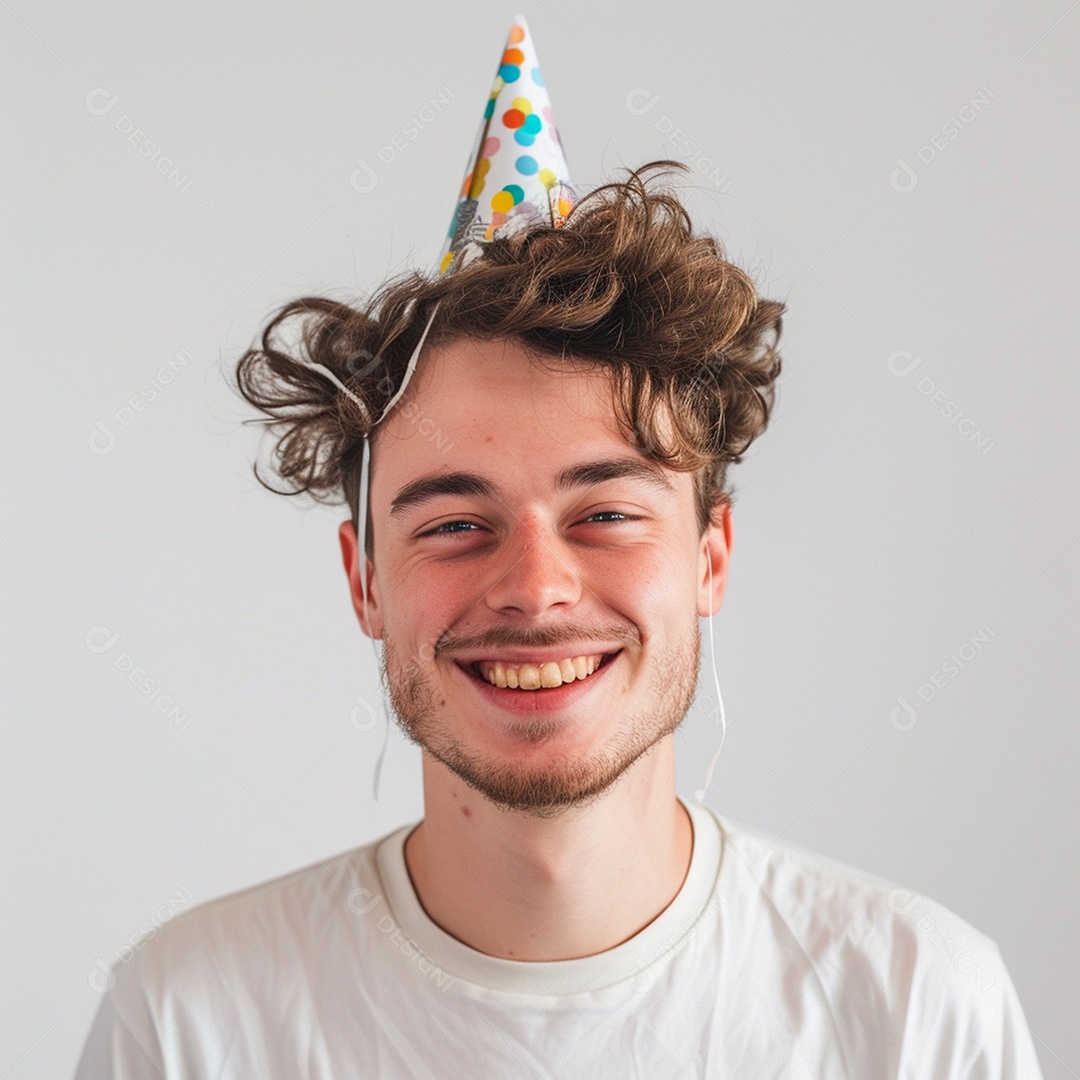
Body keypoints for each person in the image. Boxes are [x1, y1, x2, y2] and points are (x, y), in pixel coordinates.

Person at [74, 17, 1043, 1079]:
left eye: (606, 514)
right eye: (453, 524)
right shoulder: (186, 1025)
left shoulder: (916, 1011)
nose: (534, 588)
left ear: (712, 554)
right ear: (364, 581)